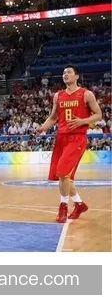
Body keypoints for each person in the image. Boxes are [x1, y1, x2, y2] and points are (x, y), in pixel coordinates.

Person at [36, 65, 102, 223]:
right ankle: (79, 204)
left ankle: (63, 207)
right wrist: (43, 127)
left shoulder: (86, 94)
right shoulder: (58, 96)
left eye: (69, 72)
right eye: (64, 73)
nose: (65, 74)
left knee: (62, 172)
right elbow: (53, 117)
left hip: (77, 138)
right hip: (61, 138)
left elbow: (98, 115)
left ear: (76, 76)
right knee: (65, 177)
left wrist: (83, 121)